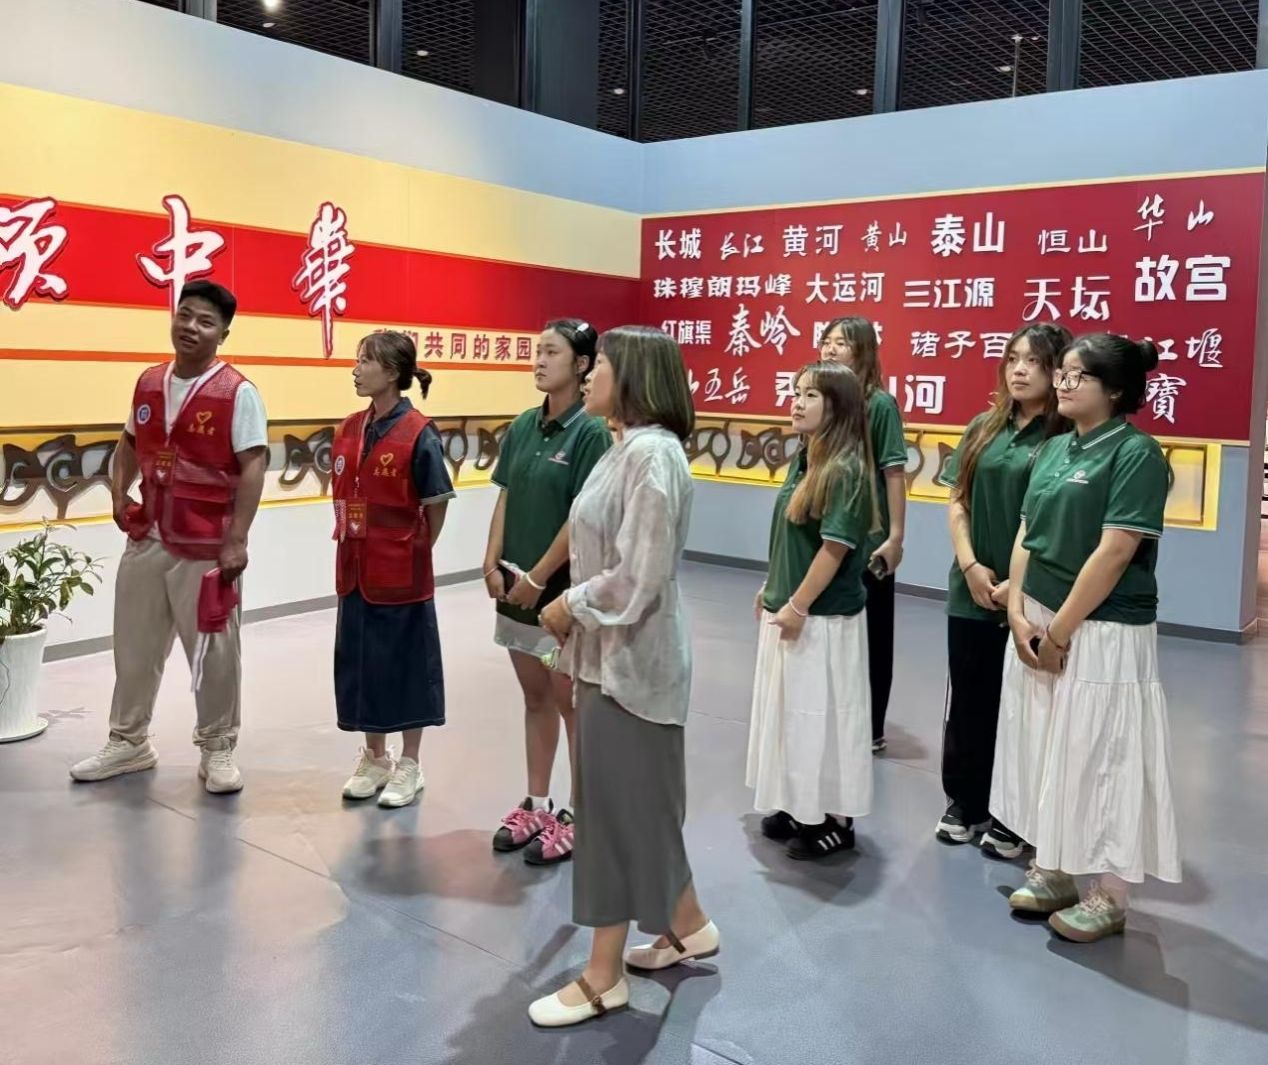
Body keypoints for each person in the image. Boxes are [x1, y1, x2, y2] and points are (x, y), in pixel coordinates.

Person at [528, 326, 716, 1028]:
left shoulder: (652, 456)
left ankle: (603, 975)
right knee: (639, 808)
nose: (589, 374)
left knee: (613, 815)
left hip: (632, 667)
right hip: (610, 661)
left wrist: (569, 604)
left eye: (600, 364)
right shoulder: (626, 448)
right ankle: (688, 923)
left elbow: (639, 574)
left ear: (631, 375)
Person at [992, 333, 1180, 943]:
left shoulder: (1135, 454)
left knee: (1104, 757)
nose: (1064, 383)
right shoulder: (1053, 448)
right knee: (1049, 747)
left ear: (1116, 391)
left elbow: (1116, 550)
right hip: (1038, 619)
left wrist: (1060, 631)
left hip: (1101, 629)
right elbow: (1026, 535)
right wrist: (1017, 613)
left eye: (1078, 375)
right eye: (1064, 373)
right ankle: (1056, 868)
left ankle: (1110, 895)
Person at [70, 280, 267, 793]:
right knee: (134, 646)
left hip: (206, 547)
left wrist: (237, 539)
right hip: (147, 535)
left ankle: (217, 747)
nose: (191, 327)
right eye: (185, 315)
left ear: (223, 333)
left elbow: (253, 465)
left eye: (206, 321)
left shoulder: (237, 392)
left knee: (212, 653)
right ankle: (128, 741)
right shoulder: (150, 382)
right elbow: (129, 440)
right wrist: (119, 492)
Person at [934, 323, 1070, 857]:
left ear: (1057, 371)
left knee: (1024, 706)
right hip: (972, 590)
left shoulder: (1065, 438)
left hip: (1033, 596)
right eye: (1013, 358)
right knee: (969, 700)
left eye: (1033, 361)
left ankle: (1014, 814)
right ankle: (964, 802)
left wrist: (1021, 583)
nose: (1019, 370)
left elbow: (1060, 523)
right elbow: (957, 499)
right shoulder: (983, 427)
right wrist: (970, 565)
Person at [483, 319, 611, 865]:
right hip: (515, 588)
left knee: (570, 703)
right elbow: (506, 495)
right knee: (534, 698)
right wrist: (491, 559)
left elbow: (582, 517)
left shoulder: (591, 433)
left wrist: (539, 578)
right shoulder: (522, 425)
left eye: (551, 352)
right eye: (537, 351)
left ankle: (581, 815)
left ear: (581, 365)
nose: (538, 360)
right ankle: (537, 804)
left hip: (558, 593)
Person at [747, 361, 878, 860]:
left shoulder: (846, 469)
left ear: (837, 408)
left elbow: (834, 548)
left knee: (820, 719)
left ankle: (832, 818)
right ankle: (795, 802)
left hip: (822, 620)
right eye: (796, 392)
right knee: (790, 716)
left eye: (810, 396)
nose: (796, 403)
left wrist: (798, 604)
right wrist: (772, 586)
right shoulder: (806, 458)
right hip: (790, 608)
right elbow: (791, 537)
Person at [333, 332, 454, 809]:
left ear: (391, 372)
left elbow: (436, 503)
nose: (356, 369)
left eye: (365, 361)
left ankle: (410, 764)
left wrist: (415, 548)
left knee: (405, 666)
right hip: (355, 569)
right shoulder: (349, 427)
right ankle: (375, 758)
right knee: (364, 663)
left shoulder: (420, 432)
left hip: (403, 574)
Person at [818, 316, 906, 752]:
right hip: (827, 534)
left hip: (869, 541)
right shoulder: (821, 400)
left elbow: (894, 473)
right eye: (827, 341)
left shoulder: (880, 405)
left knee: (873, 635)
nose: (831, 349)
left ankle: (871, 727)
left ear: (864, 351)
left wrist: (895, 536)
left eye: (842, 343)